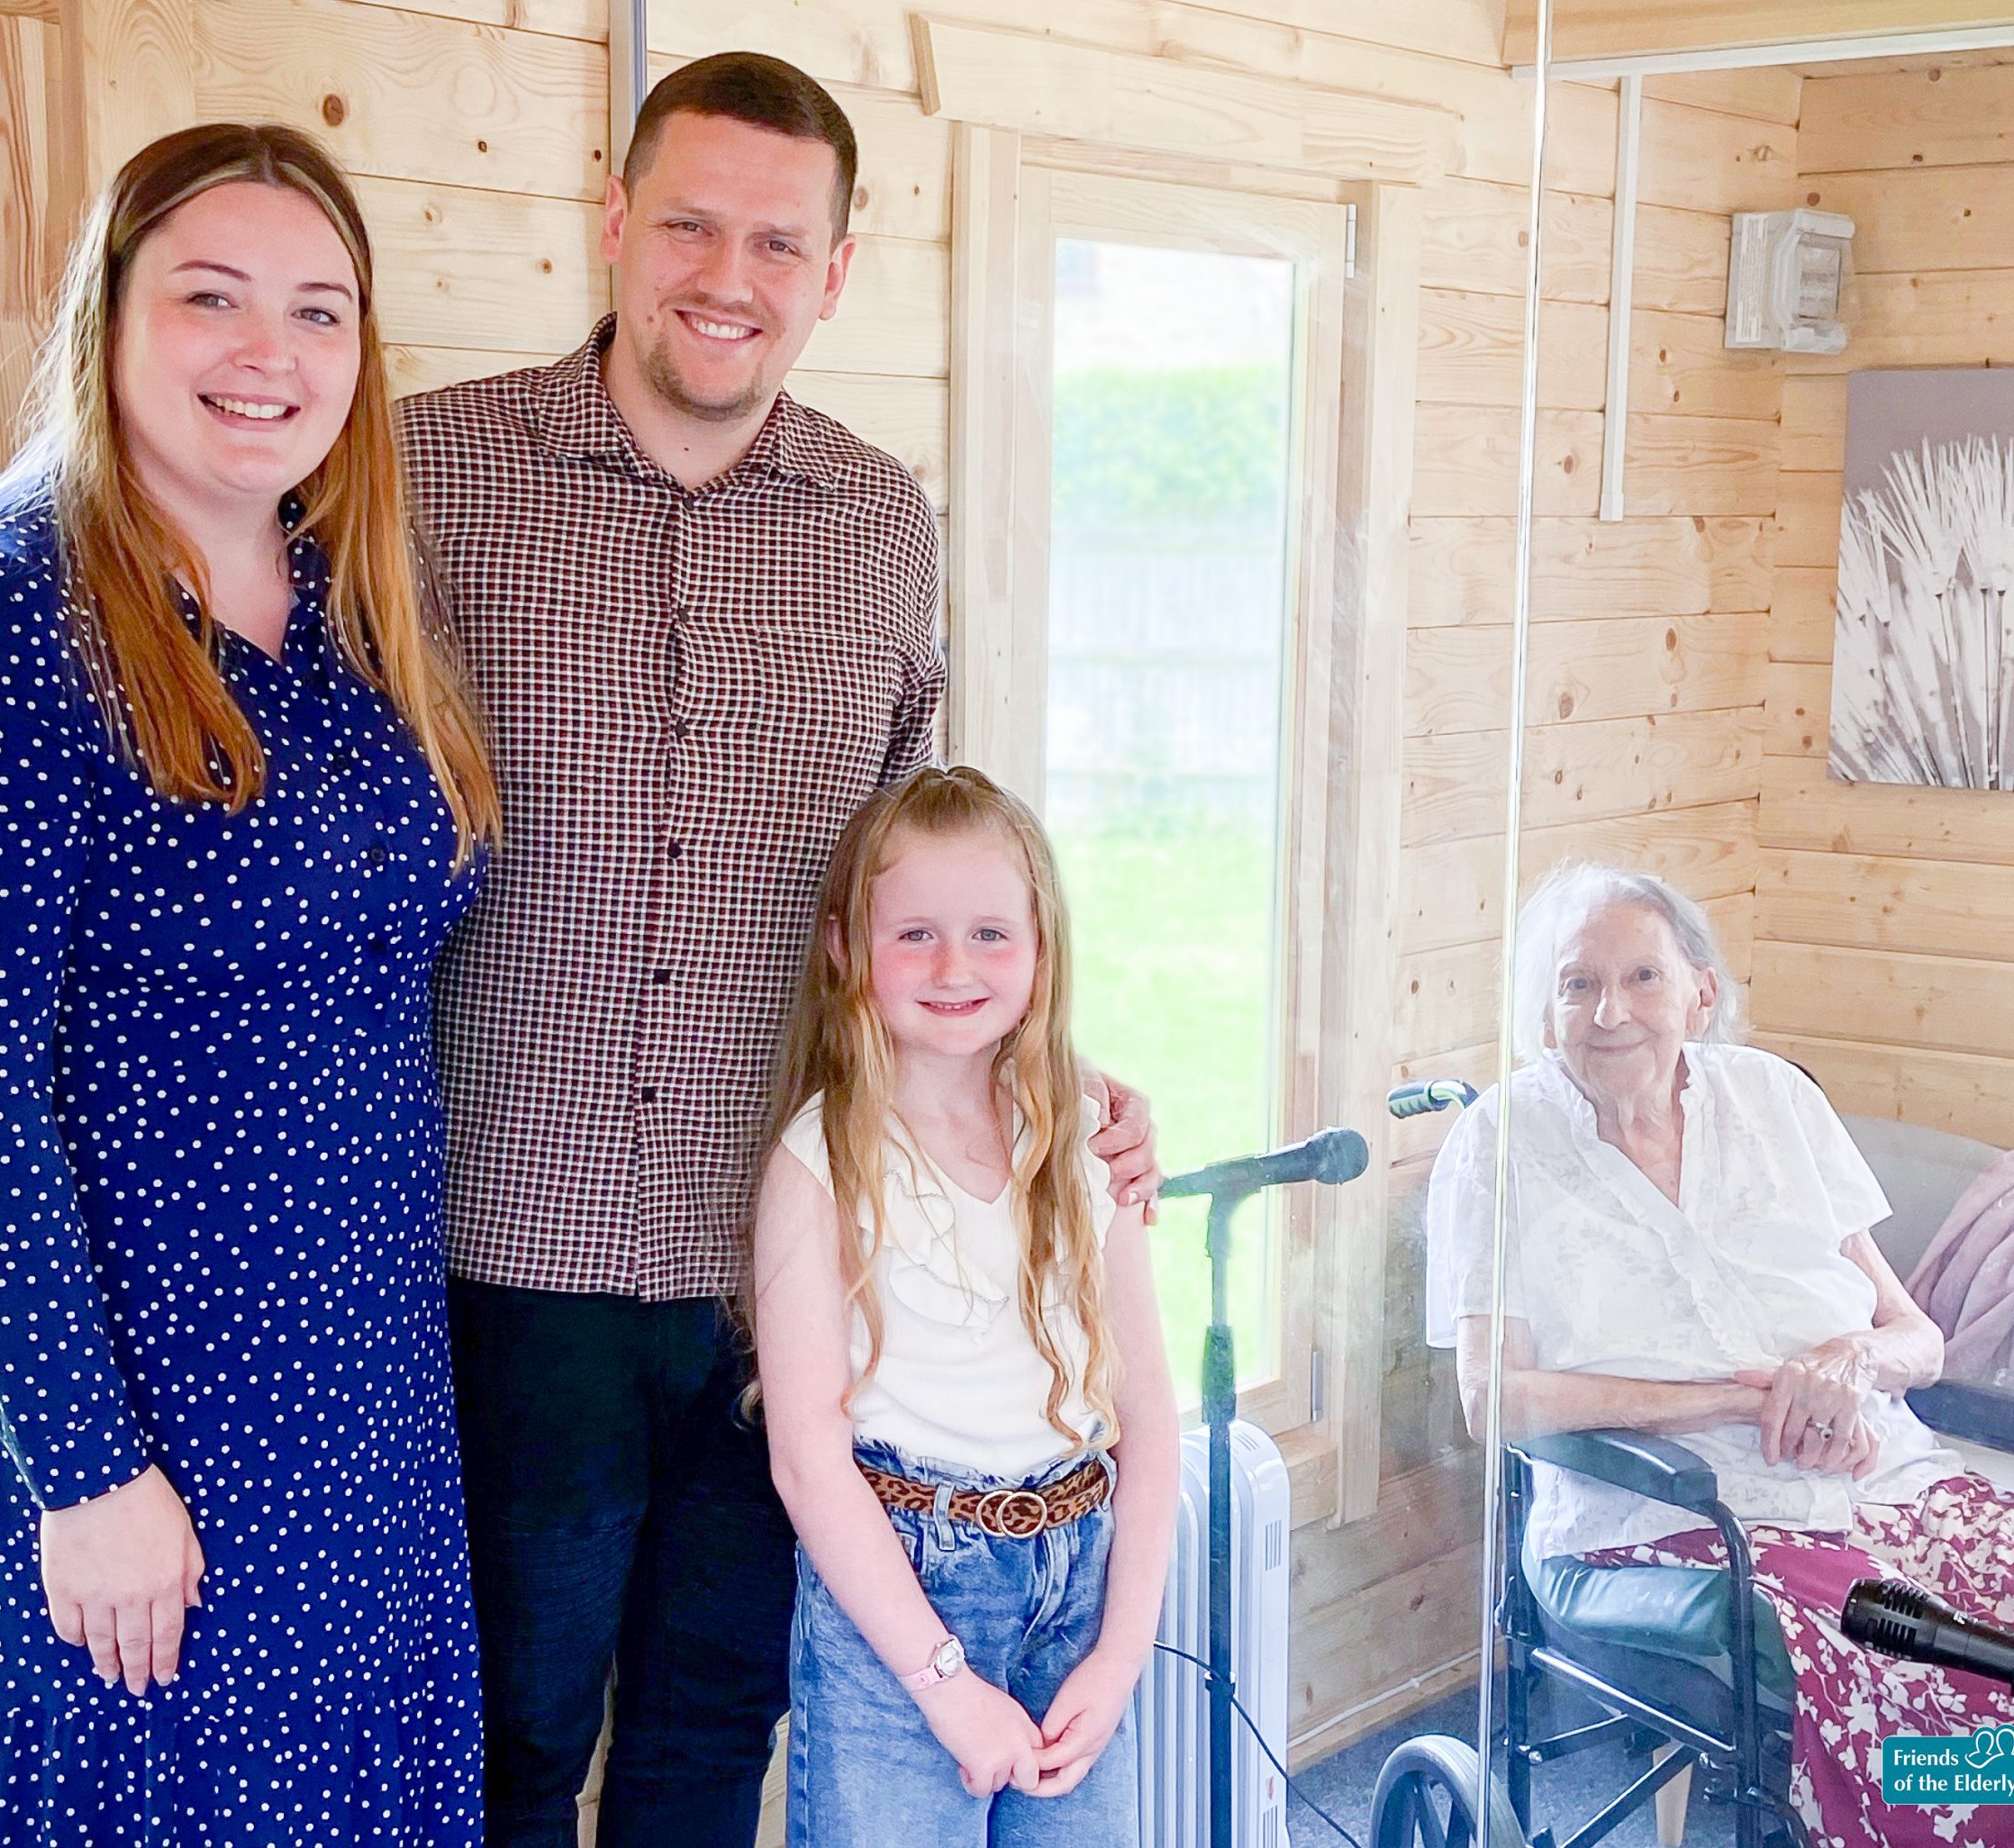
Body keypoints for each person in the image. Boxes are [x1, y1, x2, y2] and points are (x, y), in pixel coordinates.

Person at [397, 51, 1158, 1846]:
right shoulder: (429, 472)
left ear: (832, 270)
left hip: (794, 1275)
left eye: (775, 240)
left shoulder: (882, 525)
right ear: (611, 223)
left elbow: (928, 889)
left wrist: (1059, 1070)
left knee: (705, 1739)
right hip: (512, 1243)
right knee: (507, 1735)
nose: (723, 274)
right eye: (686, 222)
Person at [0, 123, 499, 1843]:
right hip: (139, 1415)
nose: (267, 352)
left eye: (318, 311)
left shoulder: (357, 605)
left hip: (357, 1405)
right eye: (211, 297)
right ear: (109, 317)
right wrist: (83, 1472)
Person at [1426, 863, 2014, 1848]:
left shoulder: (1775, 1102)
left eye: (1641, 978)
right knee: (1979, 1740)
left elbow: (1914, 1339)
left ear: (1699, 992)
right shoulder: (1498, 1145)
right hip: (1667, 1522)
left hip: (1887, 1483)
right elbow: (1488, 1398)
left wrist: (1842, 1367)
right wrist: (1725, 1401)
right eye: (1576, 984)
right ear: (1544, 1015)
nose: (1609, 1011)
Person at [751, 765, 1175, 1847]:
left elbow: (1151, 1423)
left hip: (1079, 1585)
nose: (954, 966)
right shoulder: (820, 1162)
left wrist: (1121, 1655)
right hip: (902, 1602)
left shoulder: (1083, 1139)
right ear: (847, 948)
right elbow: (806, 1457)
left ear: (1041, 950)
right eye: (916, 936)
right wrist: (942, 1683)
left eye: (992, 933)